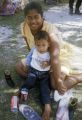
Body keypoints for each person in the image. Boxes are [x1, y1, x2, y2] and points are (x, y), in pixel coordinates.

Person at [16, 1, 82, 120]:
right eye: (29, 18)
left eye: (36, 17)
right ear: (25, 18)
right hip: (39, 56)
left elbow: (55, 56)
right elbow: (29, 46)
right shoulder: (23, 26)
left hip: (59, 56)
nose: (33, 21)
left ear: (42, 16)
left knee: (55, 85)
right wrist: (31, 63)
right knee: (19, 68)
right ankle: (40, 79)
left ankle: (78, 77)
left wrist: (58, 80)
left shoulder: (50, 30)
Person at [20, 30, 51, 120]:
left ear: (48, 44)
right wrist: (27, 64)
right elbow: (29, 57)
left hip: (44, 74)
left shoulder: (49, 52)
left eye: (43, 45)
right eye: (38, 45)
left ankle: (47, 106)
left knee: (44, 88)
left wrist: (48, 63)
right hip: (33, 71)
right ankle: (24, 89)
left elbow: (53, 62)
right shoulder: (34, 49)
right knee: (29, 80)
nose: (40, 48)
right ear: (35, 44)